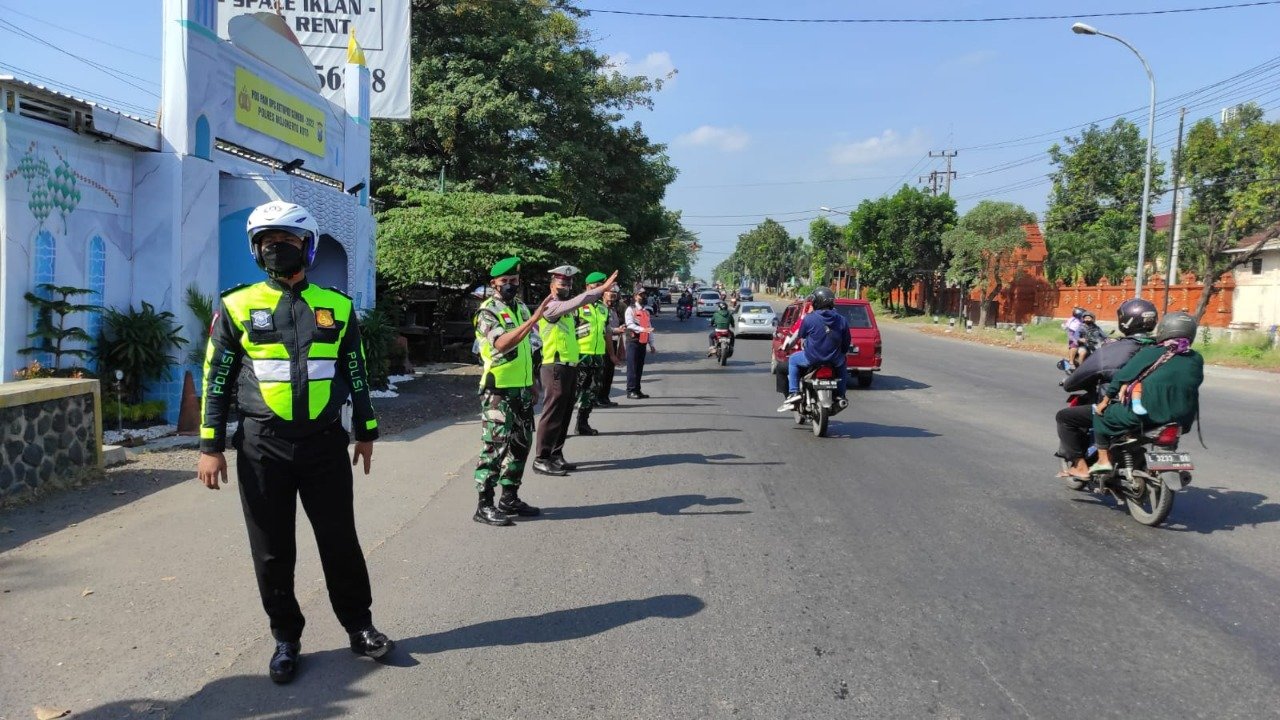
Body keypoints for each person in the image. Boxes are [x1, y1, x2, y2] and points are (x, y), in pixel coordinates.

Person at [196, 201, 392, 684]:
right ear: (255, 250)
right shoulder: (236, 306)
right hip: (262, 446)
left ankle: (359, 626)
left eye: (287, 240)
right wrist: (210, 446)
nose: (277, 249)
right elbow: (216, 380)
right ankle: (286, 638)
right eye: (267, 242)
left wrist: (366, 431)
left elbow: (356, 371)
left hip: (324, 444)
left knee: (340, 541)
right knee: (271, 549)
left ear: (308, 247)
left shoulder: (337, 306)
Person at [471, 256, 554, 526]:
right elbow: (503, 343)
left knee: (520, 444)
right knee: (495, 447)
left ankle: (509, 497)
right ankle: (484, 505)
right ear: (494, 283)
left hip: (521, 389)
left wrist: (533, 382)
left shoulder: (520, 308)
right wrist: (533, 320)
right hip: (499, 391)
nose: (510, 285)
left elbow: (531, 348)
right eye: (504, 281)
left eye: (514, 280)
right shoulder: (487, 312)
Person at [1055, 298, 1158, 479]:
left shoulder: (1112, 350)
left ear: (1124, 321)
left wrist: (1070, 381)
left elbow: (1077, 380)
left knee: (1065, 417)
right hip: (1159, 409)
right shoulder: (1164, 348)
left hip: (1120, 409)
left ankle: (1080, 467)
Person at [1090, 311, 1204, 474]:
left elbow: (1122, 376)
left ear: (1164, 330)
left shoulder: (1152, 352)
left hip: (1149, 415)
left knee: (1100, 415)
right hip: (1183, 418)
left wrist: (1105, 401)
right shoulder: (1197, 358)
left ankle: (1103, 461)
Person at [532, 265, 619, 476]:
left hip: (571, 365)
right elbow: (579, 301)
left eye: (569, 284)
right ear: (552, 285)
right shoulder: (551, 306)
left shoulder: (569, 309)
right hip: (555, 366)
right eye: (562, 283)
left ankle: (555, 455)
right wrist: (602, 289)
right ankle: (541, 458)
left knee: (564, 413)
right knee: (552, 413)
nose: (566, 287)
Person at [777, 287, 850, 411]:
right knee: (843, 362)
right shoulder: (842, 320)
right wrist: (840, 353)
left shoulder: (809, 318)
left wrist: (787, 347)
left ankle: (794, 392)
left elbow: (800, 336)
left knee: (793, 360)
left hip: (812, 358)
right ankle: (841, 395)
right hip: (834, 360)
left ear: (817, 302)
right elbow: (846, 343)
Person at [573, 272, 610, 436]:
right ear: (588, 287)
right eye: (597, 286)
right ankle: (558, 427)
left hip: (597, 355)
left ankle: (582, 424)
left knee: (591, 391)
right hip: (580, 355)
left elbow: (606, 331)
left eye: (602, 287)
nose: (600, 290)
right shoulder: (577, 306)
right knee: (573, 392)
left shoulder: (603, 308)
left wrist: (612, 353)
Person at [596, 286, 626, 407]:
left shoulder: (613, 310)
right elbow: (603, 329)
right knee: (602, 374)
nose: (612, 297)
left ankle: (605, 397)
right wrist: (615, 330)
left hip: (613, 342)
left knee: (609, 373)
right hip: (602, 344)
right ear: (603, 294)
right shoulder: (599, 309)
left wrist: (620, 329)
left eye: (615, 294)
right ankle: (598, 398)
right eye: (610, 294)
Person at [624, 287, 657, 399]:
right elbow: (629, 324)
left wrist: (651, 344)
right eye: (640, 295)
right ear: (635, 296)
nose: (643, 297)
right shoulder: (630, 309)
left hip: (642, 342)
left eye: (644, 295)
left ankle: (637, 390)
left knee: (639, 367)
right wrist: (643, 329)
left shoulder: (645, 311)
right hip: (633, 342)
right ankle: (631, 390)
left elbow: (649, 327)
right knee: (632, 367)